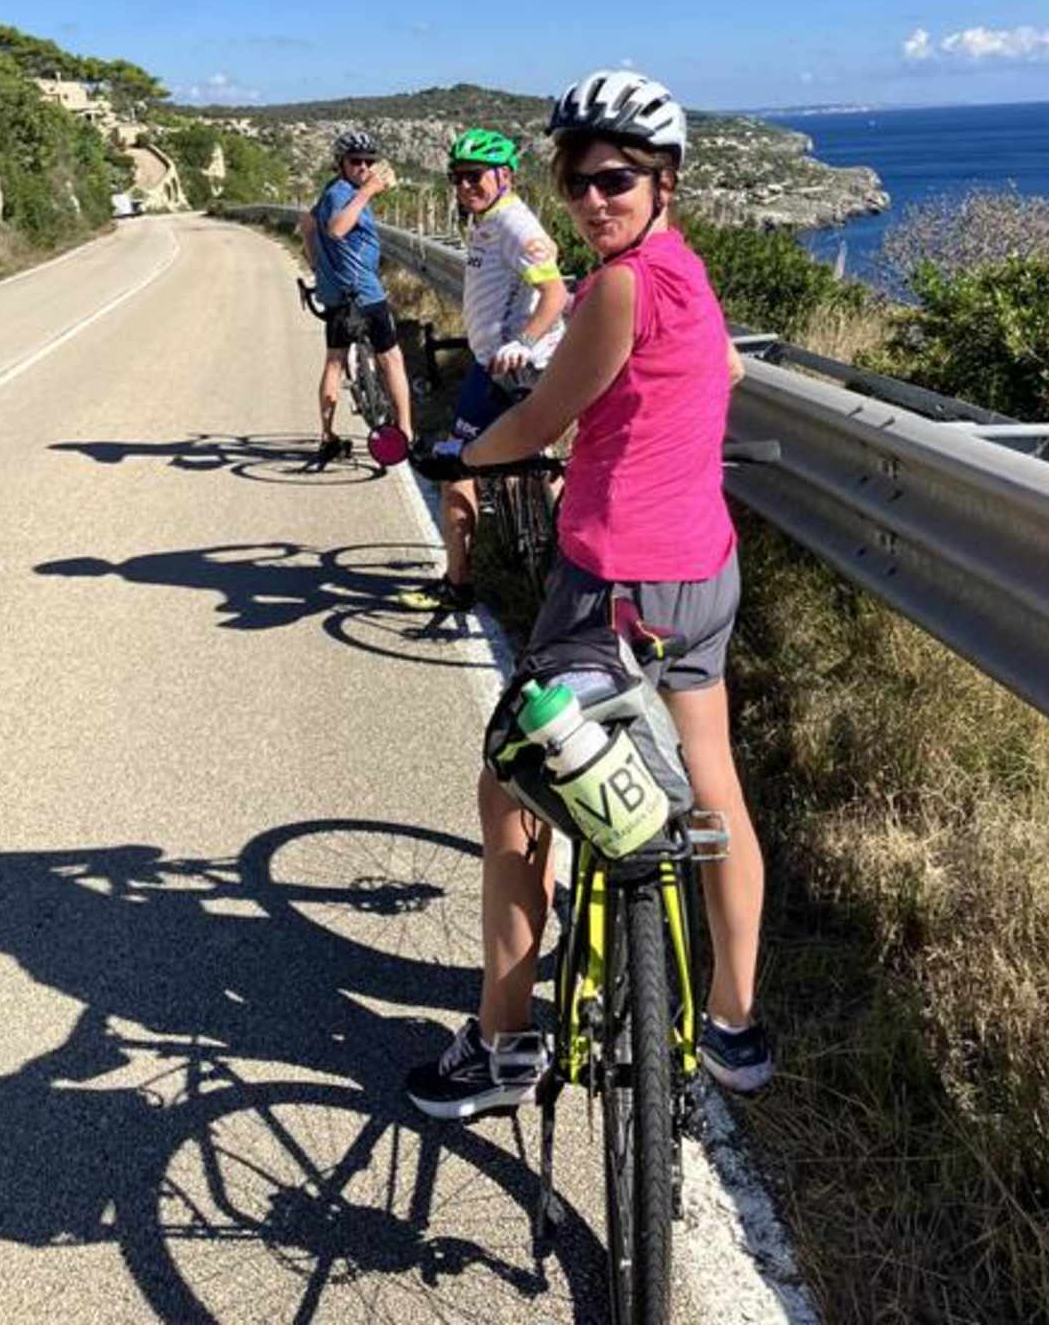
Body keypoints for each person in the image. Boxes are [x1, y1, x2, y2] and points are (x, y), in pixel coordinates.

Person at [406, 70, 772, 1119]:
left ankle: (503, 1042)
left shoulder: (618, 286)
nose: (590, 199)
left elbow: (542, 423)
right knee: (711, 790)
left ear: (664, 179)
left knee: (513, 787)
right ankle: (735, 1027)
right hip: (704, 570)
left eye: (614, 178)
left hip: (613, 580)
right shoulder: (687, 273)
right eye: (575, 182)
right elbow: (714, 379)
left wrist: (458, 456)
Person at [404, 128, 568, 613]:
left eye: (474, 176)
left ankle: (458, 584)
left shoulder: (515, 225)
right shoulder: (486, 219)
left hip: (512, 368)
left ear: (505, 175)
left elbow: (556, 295)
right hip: (495, 362)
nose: (464, 186)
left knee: (458, 467)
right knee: (540, 461)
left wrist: (523, 342)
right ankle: (563, 567)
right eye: (456, 178)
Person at [300, 127, 413, 471]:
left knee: (335, 362)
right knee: (391, 358)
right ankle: (406, 432)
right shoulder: (343, 195)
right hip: (363, 292)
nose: (363, 167)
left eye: (368, 162)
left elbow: (308, 226)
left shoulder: (328, 194)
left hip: (335, 294)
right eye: (356, 161)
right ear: (341, 163)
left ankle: (328, 437)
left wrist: (318, 266)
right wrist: (368, 191)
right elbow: (337, 228)